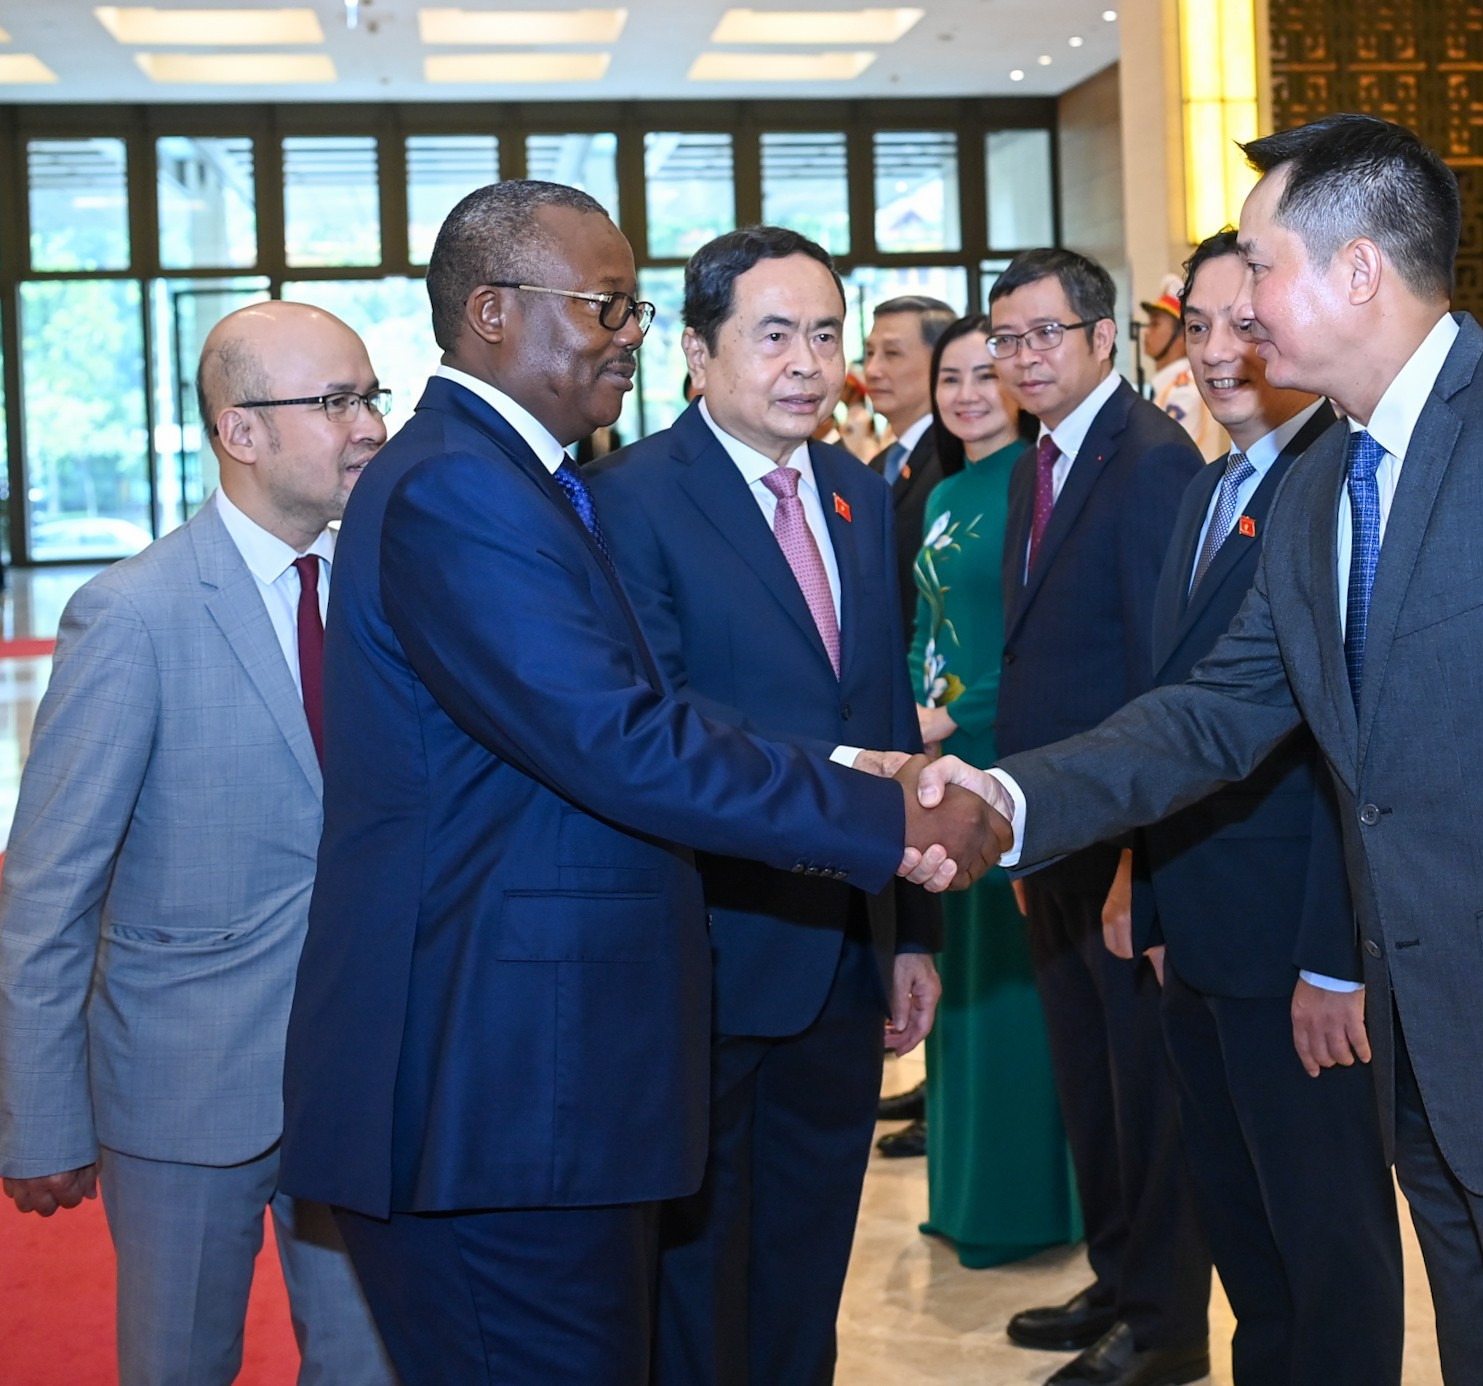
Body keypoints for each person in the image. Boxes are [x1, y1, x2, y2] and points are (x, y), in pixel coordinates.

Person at [913, 114, 1483, 1384]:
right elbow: (1215, 711)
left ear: (1358, 270)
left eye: (1260, 269)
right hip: (1421, 1067)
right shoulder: (1323, 481)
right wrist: (1004, 795)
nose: (1236, 305)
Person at [278, 180, 1008, 1386]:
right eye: (605, 305)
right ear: (498, 313)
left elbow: (640, 726)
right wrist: (887, 814)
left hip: (539, 1086)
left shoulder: (514, 479)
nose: (627, 331)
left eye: (631, 305)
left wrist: (872, 787)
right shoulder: (463, 488)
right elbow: (623, 739)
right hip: (489, 1094)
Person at [0, 301, 395, 1385]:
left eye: (370, 397)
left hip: (358, 1077)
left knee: (372, 1367)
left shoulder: (383, 594)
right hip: (183, 1090)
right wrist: (39, 1118)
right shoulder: (132, 616)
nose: (367, 426)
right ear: (242, 431)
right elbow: (47, 889)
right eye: (335, 403)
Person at [584, 226, 942, 1386]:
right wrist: (848, 774)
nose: (808, 362)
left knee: (805, 1260)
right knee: (695, 1279)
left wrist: (908, 932)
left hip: (839, 957)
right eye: (774, 333)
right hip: (704, 951)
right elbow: (659, 719)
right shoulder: (626, 500)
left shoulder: (853, 489)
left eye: (826, 334)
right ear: (696, 352)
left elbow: (885, 708)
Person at [1112, 231, 1402, 1383]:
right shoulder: (1201, 490)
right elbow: (1176, 713)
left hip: (1301, 956)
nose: (1223, 352)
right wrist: (1146, 881)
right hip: (1201, 935)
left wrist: (1336, 961)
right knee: (1247, 1242)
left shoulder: (1338, 483)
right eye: (1201, 327)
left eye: (1249, 323)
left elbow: (1359, 759)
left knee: (1328, 1249)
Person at [986, 247, 1211, 1386]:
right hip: (1058, 826)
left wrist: (1139, 860)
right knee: (1090, 1074)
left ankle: (1167, 1328)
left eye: (1043, 335)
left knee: (1147, 1089)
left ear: (1102, 337)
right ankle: (1120, 1278)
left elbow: (1162, 680)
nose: (1022, 357)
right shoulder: (1047, 458)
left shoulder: (1153, 463)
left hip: (1119, 834)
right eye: (1006, 338)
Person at [907, 313, 1080, 1261]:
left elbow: (1030, 644)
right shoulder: (945, 491)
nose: (968, 393)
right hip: (934, 765)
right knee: (958, 987)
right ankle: (967, 1196)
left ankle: (1027, 1208)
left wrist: (957, 728)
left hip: (995, 769)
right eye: (952, 378)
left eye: (986, 373)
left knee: (1013, 1002)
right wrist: (905, 724)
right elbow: (924, 627)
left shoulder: (1032, 481)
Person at [864, 294, 959, 635]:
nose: (872, 370)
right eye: (869, 353)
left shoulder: (956, 460)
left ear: (942, 362)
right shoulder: (876, 466)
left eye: (891, 353)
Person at [1141, 273, 1227, 457]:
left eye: (1155, 324)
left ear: (1181, 335)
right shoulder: (1169, 386)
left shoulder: (1183, 391)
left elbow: (1163, 456)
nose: (1146, 332)